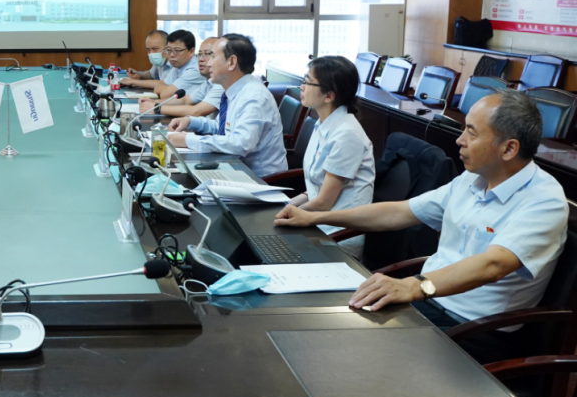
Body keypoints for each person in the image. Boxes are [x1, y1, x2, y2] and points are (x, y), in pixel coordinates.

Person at [274, 89, 568, 364]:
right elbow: (398, 212)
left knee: (349, 354)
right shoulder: (471, 179)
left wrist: (416, 285)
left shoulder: (544, 200)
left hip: (474, 330)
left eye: (471, 132)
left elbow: (494, 265)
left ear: (509, 148)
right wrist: (316, 217)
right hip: (428, 304)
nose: (460, 140)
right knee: (324, 326)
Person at [285, 56, 375, 258]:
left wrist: (286, 214)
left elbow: (324, 202)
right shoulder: (322, 124)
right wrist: (287, 206)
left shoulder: (347, 134)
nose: (301, 87)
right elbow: (316, 188)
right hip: (315, 222)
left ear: (329, 96)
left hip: (336, 236)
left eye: (308, 82)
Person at [166, 34, 287, 177]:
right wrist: (190, 121)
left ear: (231, 62)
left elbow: (241, 144)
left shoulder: (253, 97)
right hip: (235, 167)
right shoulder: (235, 89)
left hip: (259, 179)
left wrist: (187, 140)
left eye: (213, 56)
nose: (208, 63)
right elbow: (221, 128)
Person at [137, 36, 224, 118]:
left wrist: (156, 108)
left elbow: (196, 111)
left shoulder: (221, 85)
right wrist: (154, 102)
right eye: (200, 54)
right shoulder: (208, 82)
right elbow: (184, 101)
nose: (201, 59)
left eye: (208, 54)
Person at [121, 29, 204, 95]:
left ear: (191, 51)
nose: (172, 55)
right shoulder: (177, 65)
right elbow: (158, 87)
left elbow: (165, 93)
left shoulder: (194, 69)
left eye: (177, 50)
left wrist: (132, 82)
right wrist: (140, 76)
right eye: (169, 50)